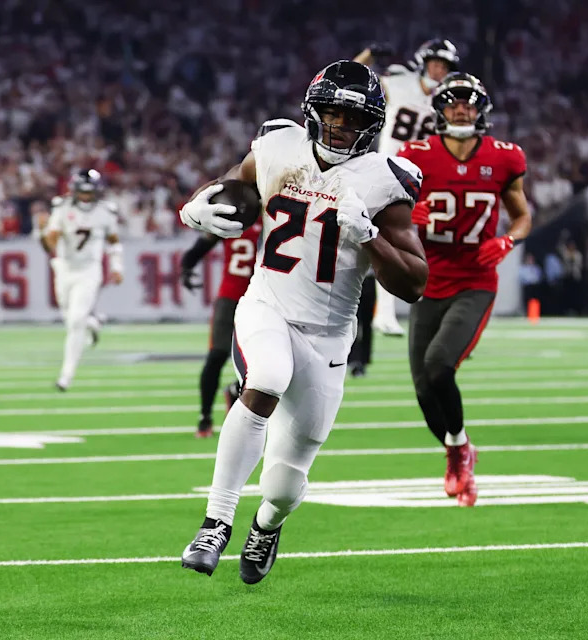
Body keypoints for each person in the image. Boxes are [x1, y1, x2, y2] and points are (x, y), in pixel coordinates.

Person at [178, 60, 428, 583]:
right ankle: (215, 521)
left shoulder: (385, 181)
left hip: (329, 335)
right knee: (264, 378)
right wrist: (196, 206)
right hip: (268, 303)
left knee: (284, 487)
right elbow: (233, 184)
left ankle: (265, 526)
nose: (339, 125)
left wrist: (370, 237)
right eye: (332, 113)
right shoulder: (277, 145)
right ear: (314, 112)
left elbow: (414, 282)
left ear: (373, 124)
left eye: (352, 118)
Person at [397, 72, 531, 507]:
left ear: (481, 110)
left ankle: (458, 454)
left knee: (439, 365)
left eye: (469, 103)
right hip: (427, 280)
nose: (460, 109)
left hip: (474, 281)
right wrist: (406, 217)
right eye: (453, 101)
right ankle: (459, 448)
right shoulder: (415, 155)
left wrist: (507, 239)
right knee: (422, 390)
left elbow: (523, 216)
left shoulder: (504, 157)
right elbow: (389, 209)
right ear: (439, 109)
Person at [355, 38, 460, 337]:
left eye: (445, 66)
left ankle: (435, 316)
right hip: (390, 170)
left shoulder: (447, 97)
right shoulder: (401, 81)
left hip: (425, 176)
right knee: (390, 240)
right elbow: (355, 77)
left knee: (428, 243)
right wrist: (370, 53)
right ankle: (384, 314)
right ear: (423, 62)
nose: (440, 70)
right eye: (436, 63)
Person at [41, 169, 123, 391]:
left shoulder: (105, 211)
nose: (86, 197)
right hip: (64, 268)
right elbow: (50, 242)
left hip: (89, 270)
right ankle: (93, 322)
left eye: (89, 192)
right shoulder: (62, 208)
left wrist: (117, 266)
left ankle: (66, 375)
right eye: (82, 192)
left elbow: (114, 241)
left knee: (75, 321)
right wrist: (45, 234)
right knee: (70, 317)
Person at [179, 218, 262, 438]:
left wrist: (187, 265)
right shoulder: (239, 212)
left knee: (264, 361)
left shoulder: (270, 213)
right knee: (216, 356)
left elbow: (199, 247)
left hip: (261, 300)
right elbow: (203, 244)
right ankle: (205, 415)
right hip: (232, 297)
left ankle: (235, 391)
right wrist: (187, 265)